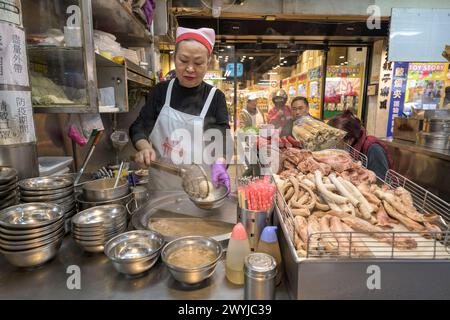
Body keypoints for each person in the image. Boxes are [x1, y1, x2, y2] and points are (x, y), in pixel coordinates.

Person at [129, 27, 231, 192]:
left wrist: (220, 162)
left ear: (208, 62)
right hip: (162, 188)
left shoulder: (215, 97)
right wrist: (144, 147)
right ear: (174, 57)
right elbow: (139, 126)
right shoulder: (160, 91)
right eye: (183, 60)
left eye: (198, 63)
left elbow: (223, 137)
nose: (190, 69)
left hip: (201, 189)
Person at [327, 110, 393, 179]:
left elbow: (381, 181)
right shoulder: (350, 147)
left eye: (335, 139)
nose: (332, 143)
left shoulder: (373, 149)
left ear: (350, 140)